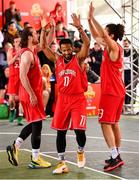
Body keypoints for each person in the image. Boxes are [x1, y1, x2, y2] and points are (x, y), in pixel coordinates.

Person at [40, 14, 90, 174]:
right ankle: (61, 162)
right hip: (63, 99)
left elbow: (87, 44)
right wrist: (43, 29)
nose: (67, 52)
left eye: (69, 49)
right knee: (60, 132)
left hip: (77, 100)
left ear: (72, 49)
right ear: (61, 50)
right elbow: (43, 46)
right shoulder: (57, 60)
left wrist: (80, 28)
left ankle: (80, 150)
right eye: (64, 50)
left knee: (79, 131)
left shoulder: (79, 59)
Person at [6, 27, 51, 169]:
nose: (37, 35)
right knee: (37, 125)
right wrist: (31, 94)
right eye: (35, 33)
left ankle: (16, 146)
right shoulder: (27, 54)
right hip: (29, 94)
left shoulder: (33, 51)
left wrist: (49, 30)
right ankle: (35, 158)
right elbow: (22, 76)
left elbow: (46, 43)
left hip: (33, 93)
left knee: (35, 124)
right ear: (30, 37)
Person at [88, 1, 125, 172]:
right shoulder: (109, 47)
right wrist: (89, 20)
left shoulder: (114, 48)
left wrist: (94, 17)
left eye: (105, 34)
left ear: (109, 35)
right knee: (114, 123)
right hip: (117, 91)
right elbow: (96, 35)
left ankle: (114, 155)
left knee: (104, 122)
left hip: (111, 92)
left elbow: (101, 34)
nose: (101, 37)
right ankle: (116, 154)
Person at [7, 34, 23, 125]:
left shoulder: (24, 50)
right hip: (13, 76)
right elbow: (9, 62)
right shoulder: (11, 50)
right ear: (13, 43)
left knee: (22, 98)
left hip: (22, 77)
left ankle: (20, 117)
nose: (18, 43)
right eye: (16, 41)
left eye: (19, 41)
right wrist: (17, 55)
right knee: (11, 99)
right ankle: (12, 110)